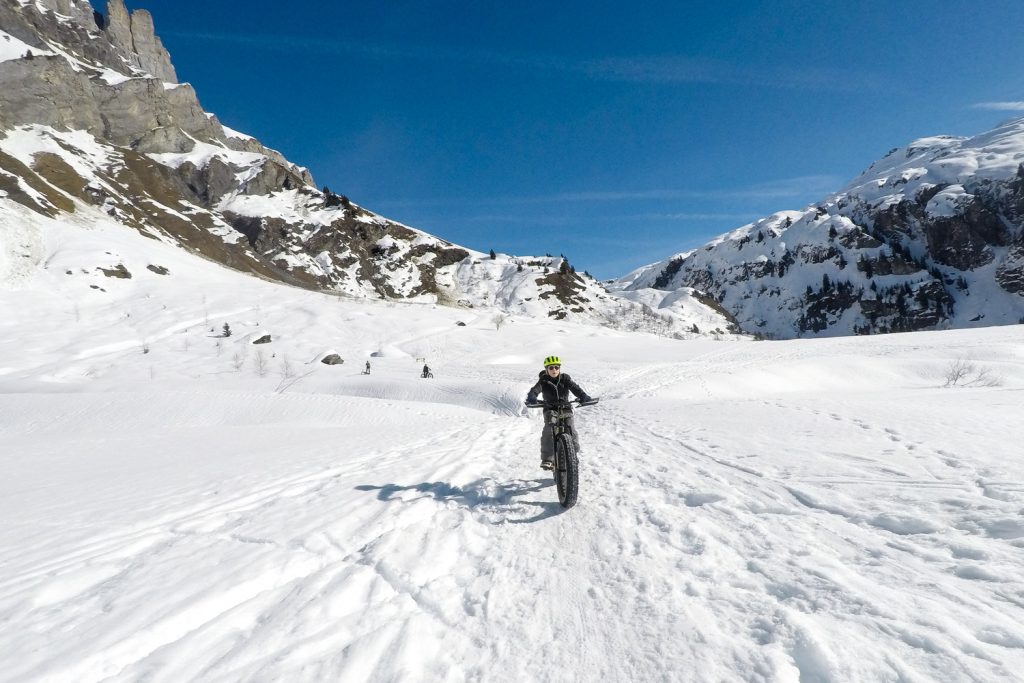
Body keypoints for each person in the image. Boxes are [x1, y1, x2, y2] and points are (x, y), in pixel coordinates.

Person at [525, 355, 593, 470]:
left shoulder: (565, 379)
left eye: (556, 367)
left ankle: (573, 455)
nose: (554, 370)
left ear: (559, 368)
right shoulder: (543, 380)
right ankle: (548, 459)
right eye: (551, 368)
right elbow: (535, 390)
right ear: (547, 369)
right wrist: (532, 397)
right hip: (550, 408)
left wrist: (583, 396)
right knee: (549, 428)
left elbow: (575, 388)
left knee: (571, 427)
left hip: (565, 407)